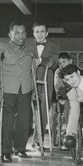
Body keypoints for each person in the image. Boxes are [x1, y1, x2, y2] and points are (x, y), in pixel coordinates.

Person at [0, 21, 35, 163]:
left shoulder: (30, 49)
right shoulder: (0, 47)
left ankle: (20, 148)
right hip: (7, 90)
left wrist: (33, 89)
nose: (20, 36)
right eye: (16, 33)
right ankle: (5, 151)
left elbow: (33, 70)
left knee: (24, 122)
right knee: (7, 122)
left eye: (23, 33)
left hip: (25, 90)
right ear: (10, 34)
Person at [30, 22, 59, 150]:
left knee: (42, 113)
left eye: (42, 31)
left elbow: (55, 63)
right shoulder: (27, 45)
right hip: (28, 82)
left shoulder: (54, 45)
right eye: (37, 31)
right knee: (26, 112)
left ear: (47, 33)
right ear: (33, 33)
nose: (40, 34)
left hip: (45, 82)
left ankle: (38, 141)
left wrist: (42, 60)